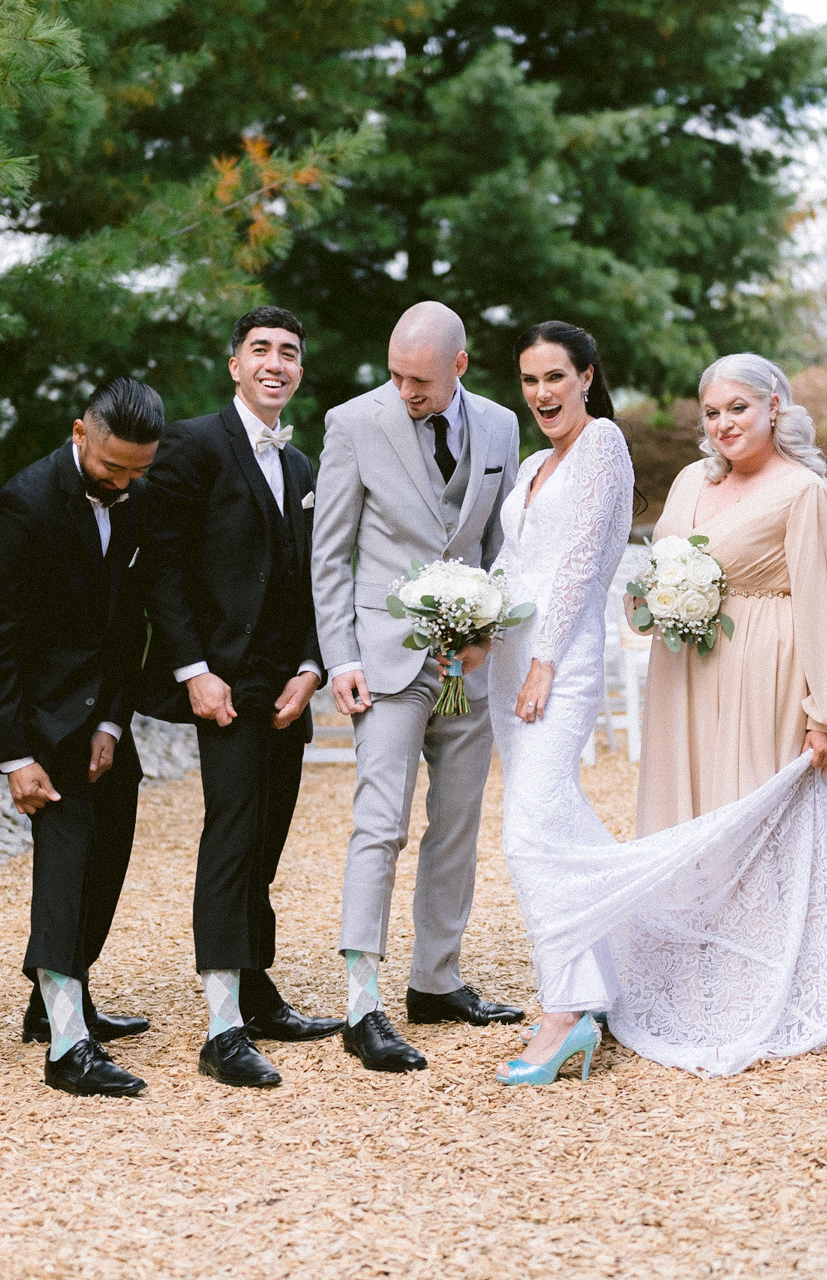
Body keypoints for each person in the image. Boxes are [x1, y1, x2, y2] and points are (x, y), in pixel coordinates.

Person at [495, 331, 827, 1084]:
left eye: (737, 407)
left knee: (755, 820)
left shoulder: (804, 493)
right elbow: (642, 575)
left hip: (766, 675)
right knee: (692, 818)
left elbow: (821, 607)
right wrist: (654, 601)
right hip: (685, 674)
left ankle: (771, 970)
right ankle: (694, 964)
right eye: (711, 412)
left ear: (775, 407)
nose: (723, 424)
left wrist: (825, 712)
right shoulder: (687, 486)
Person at [311, 301, 525, 1074]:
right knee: (380, 823)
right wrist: (341, 656)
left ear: (459, 367)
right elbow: (330, 553)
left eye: (422, 381)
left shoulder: (500, 426)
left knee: (458, 822)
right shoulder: (353, 422)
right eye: (397, 375)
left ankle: (436, 981)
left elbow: (500, 542)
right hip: (386, 655)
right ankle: (361, 1003)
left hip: (468, 657)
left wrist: (490, 631)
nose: (406, 391)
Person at [135, 306, 343, 1089]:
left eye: (289, 352)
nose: (276, 363)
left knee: (267, 840)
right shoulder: (193, 443)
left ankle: (255, 987)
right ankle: (221, 1026)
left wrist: (311, 665)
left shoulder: (301, 467)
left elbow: (314, 581)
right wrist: (192, 670)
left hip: (282, 683)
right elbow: (161, 564)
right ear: (234, 364)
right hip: (219, 683)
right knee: (230, 837)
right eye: (260, 350)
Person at [0, 376, 161, 1098]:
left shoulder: (135, 494)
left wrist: (112, 720)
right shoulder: (23, 505)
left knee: (111, 848)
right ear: (80, 434)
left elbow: (127, 620)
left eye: (139, 470)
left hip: (98, 707)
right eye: (113, 468)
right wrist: (16, 754)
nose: (126, 482)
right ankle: (67, 1048)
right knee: (66, 862)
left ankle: (53, 1005)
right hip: (38, 717)